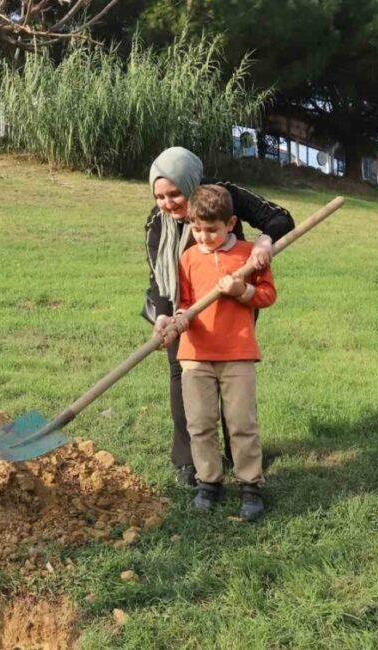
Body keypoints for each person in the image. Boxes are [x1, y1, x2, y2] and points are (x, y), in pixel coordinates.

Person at [143, 147, 293, 488]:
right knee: (183, 374)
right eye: (159, 196)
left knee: (231, 377)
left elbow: (280, 217)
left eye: (174, 193)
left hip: (233, 302)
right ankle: (190, 460)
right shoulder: (156, 222)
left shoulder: (224, 196)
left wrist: (264, 242)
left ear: (190, 183)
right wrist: (164, 318)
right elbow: (158, 278)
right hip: (182, 306)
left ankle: (239, 456)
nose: (167, 203)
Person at [153, 185, 275, 520]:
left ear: (230, 223)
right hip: (195, 355)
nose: (204, 237)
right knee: (200, 423)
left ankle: (250, 484)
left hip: (237, 353)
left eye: (212, 230)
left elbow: (267, 295)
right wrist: (179, 318)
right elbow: (184, 301)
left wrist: (242, 290)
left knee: (241, 423)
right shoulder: (188, 258)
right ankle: (208, 481)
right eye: (197, 230)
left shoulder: (249, 255)